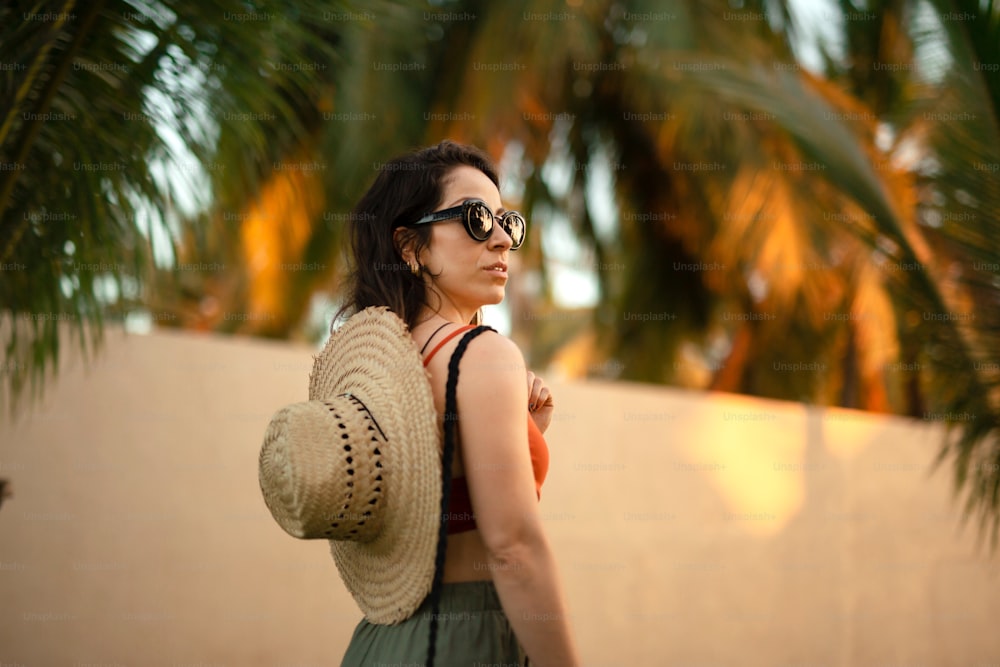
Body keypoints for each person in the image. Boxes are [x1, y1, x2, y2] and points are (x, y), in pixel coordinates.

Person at [336, 140, 580, 666]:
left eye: (506, 222)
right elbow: (513, 548)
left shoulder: (385, 368)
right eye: (474, 218)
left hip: (378, 645)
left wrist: (526, 433)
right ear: (411, 246)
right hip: (460, 644)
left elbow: (443, 502)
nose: (500, 240)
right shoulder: (483, 355)